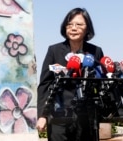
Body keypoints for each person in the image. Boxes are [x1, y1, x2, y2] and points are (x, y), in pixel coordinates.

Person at [36, 7, 104, 141]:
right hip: (58, 117)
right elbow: (44, 84)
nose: (73, 28)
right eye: (69, 24)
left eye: (79, 25)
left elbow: (102, 83)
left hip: (87, 119)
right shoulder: (54, 50)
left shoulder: (95, 51)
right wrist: (42, 115)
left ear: (87, 29)